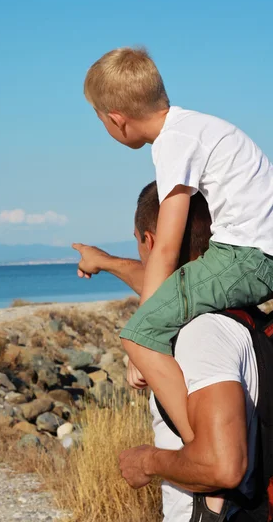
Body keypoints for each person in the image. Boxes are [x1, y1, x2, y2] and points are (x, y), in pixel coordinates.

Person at [79, 47, 273, 443]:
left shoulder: (173, 143)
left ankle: (199, 448)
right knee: (156, 320)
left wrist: (143, 346)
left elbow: (165, 248)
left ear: (117, 121)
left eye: (101, 121)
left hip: (247, 257)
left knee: (136, 336)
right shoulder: (197, 127)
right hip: (256, 252)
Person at [74, 182, 259, 521]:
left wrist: (146, 461)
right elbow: (157, 285)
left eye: (137, 240)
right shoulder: (235, 306)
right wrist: (104, 261)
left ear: (151, 241)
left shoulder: (200, 334)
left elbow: (223, 467)